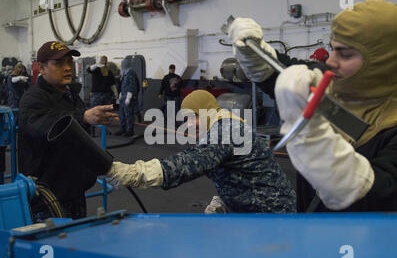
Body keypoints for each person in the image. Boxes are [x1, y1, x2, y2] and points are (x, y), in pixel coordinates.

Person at [228, 0, 397, 212]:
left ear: (381, 61)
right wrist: (253, 51)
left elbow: (372, 194)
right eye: (332, 49)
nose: (331, 61)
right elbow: (275, 70)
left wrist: (310, 132)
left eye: (345, 54)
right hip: (312, 232)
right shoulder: (334, 85)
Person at [107, 90, 296, 213]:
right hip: (255, 211)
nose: (189, 125)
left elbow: (190, 163)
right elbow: (241, 171)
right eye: (186, 119)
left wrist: (135, 173)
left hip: (271, 215)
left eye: (194, 117)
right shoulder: (221, 125)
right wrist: (225, 199)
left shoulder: (227, 130)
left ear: (209, 111)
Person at [18, 41, 119, 220]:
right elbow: (46, 125)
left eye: (69, 62)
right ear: (41, 68)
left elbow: (77, 135)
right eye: (59, 63)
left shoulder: (70, 95)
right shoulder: (32, 99)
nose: (67, 68)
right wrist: (84, 117)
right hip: (47, 198)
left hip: (73, 190)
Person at [114, 57, 139, 137]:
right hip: (123, 96)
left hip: (128, 96)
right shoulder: (124, 73)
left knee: (129, 114)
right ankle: (123, 128)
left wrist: (129, 97)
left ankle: (130, 130)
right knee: (121, 114)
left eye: (123, 64)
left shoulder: (131, 73)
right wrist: (120, 96)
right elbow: (122, 86)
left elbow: (132, 86)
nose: (122, 65)